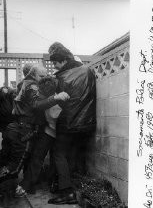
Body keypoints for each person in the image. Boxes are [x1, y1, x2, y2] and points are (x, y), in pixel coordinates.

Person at [0, 63, 69, 186]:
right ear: (33, 74)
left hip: (15, 127)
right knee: (14, 167)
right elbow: (35, 104)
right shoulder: (32, 86)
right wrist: (56, 98)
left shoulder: (24, 84)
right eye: (41, 76)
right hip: (24, 130)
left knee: (4, 157)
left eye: (46, 75)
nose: (44, 78)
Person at [47, 42, 96, 205]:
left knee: (59, 154)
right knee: (75, 155)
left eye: (55, 63)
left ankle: (67, 192)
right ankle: (76, 187)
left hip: (68, 123)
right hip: (87, 123)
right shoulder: (88, 70)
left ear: (62, 61)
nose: (54, 66)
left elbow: (60, 102)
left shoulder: (61, 77)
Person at [15, 75, 63, 197]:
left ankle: (34, 184)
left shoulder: (56, 99)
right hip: (49, 132)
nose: (39, 94)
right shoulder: (49, 98)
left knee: (41, 158)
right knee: (39, 157)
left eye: (41, 92)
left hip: (53, 132)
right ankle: (29, 184)